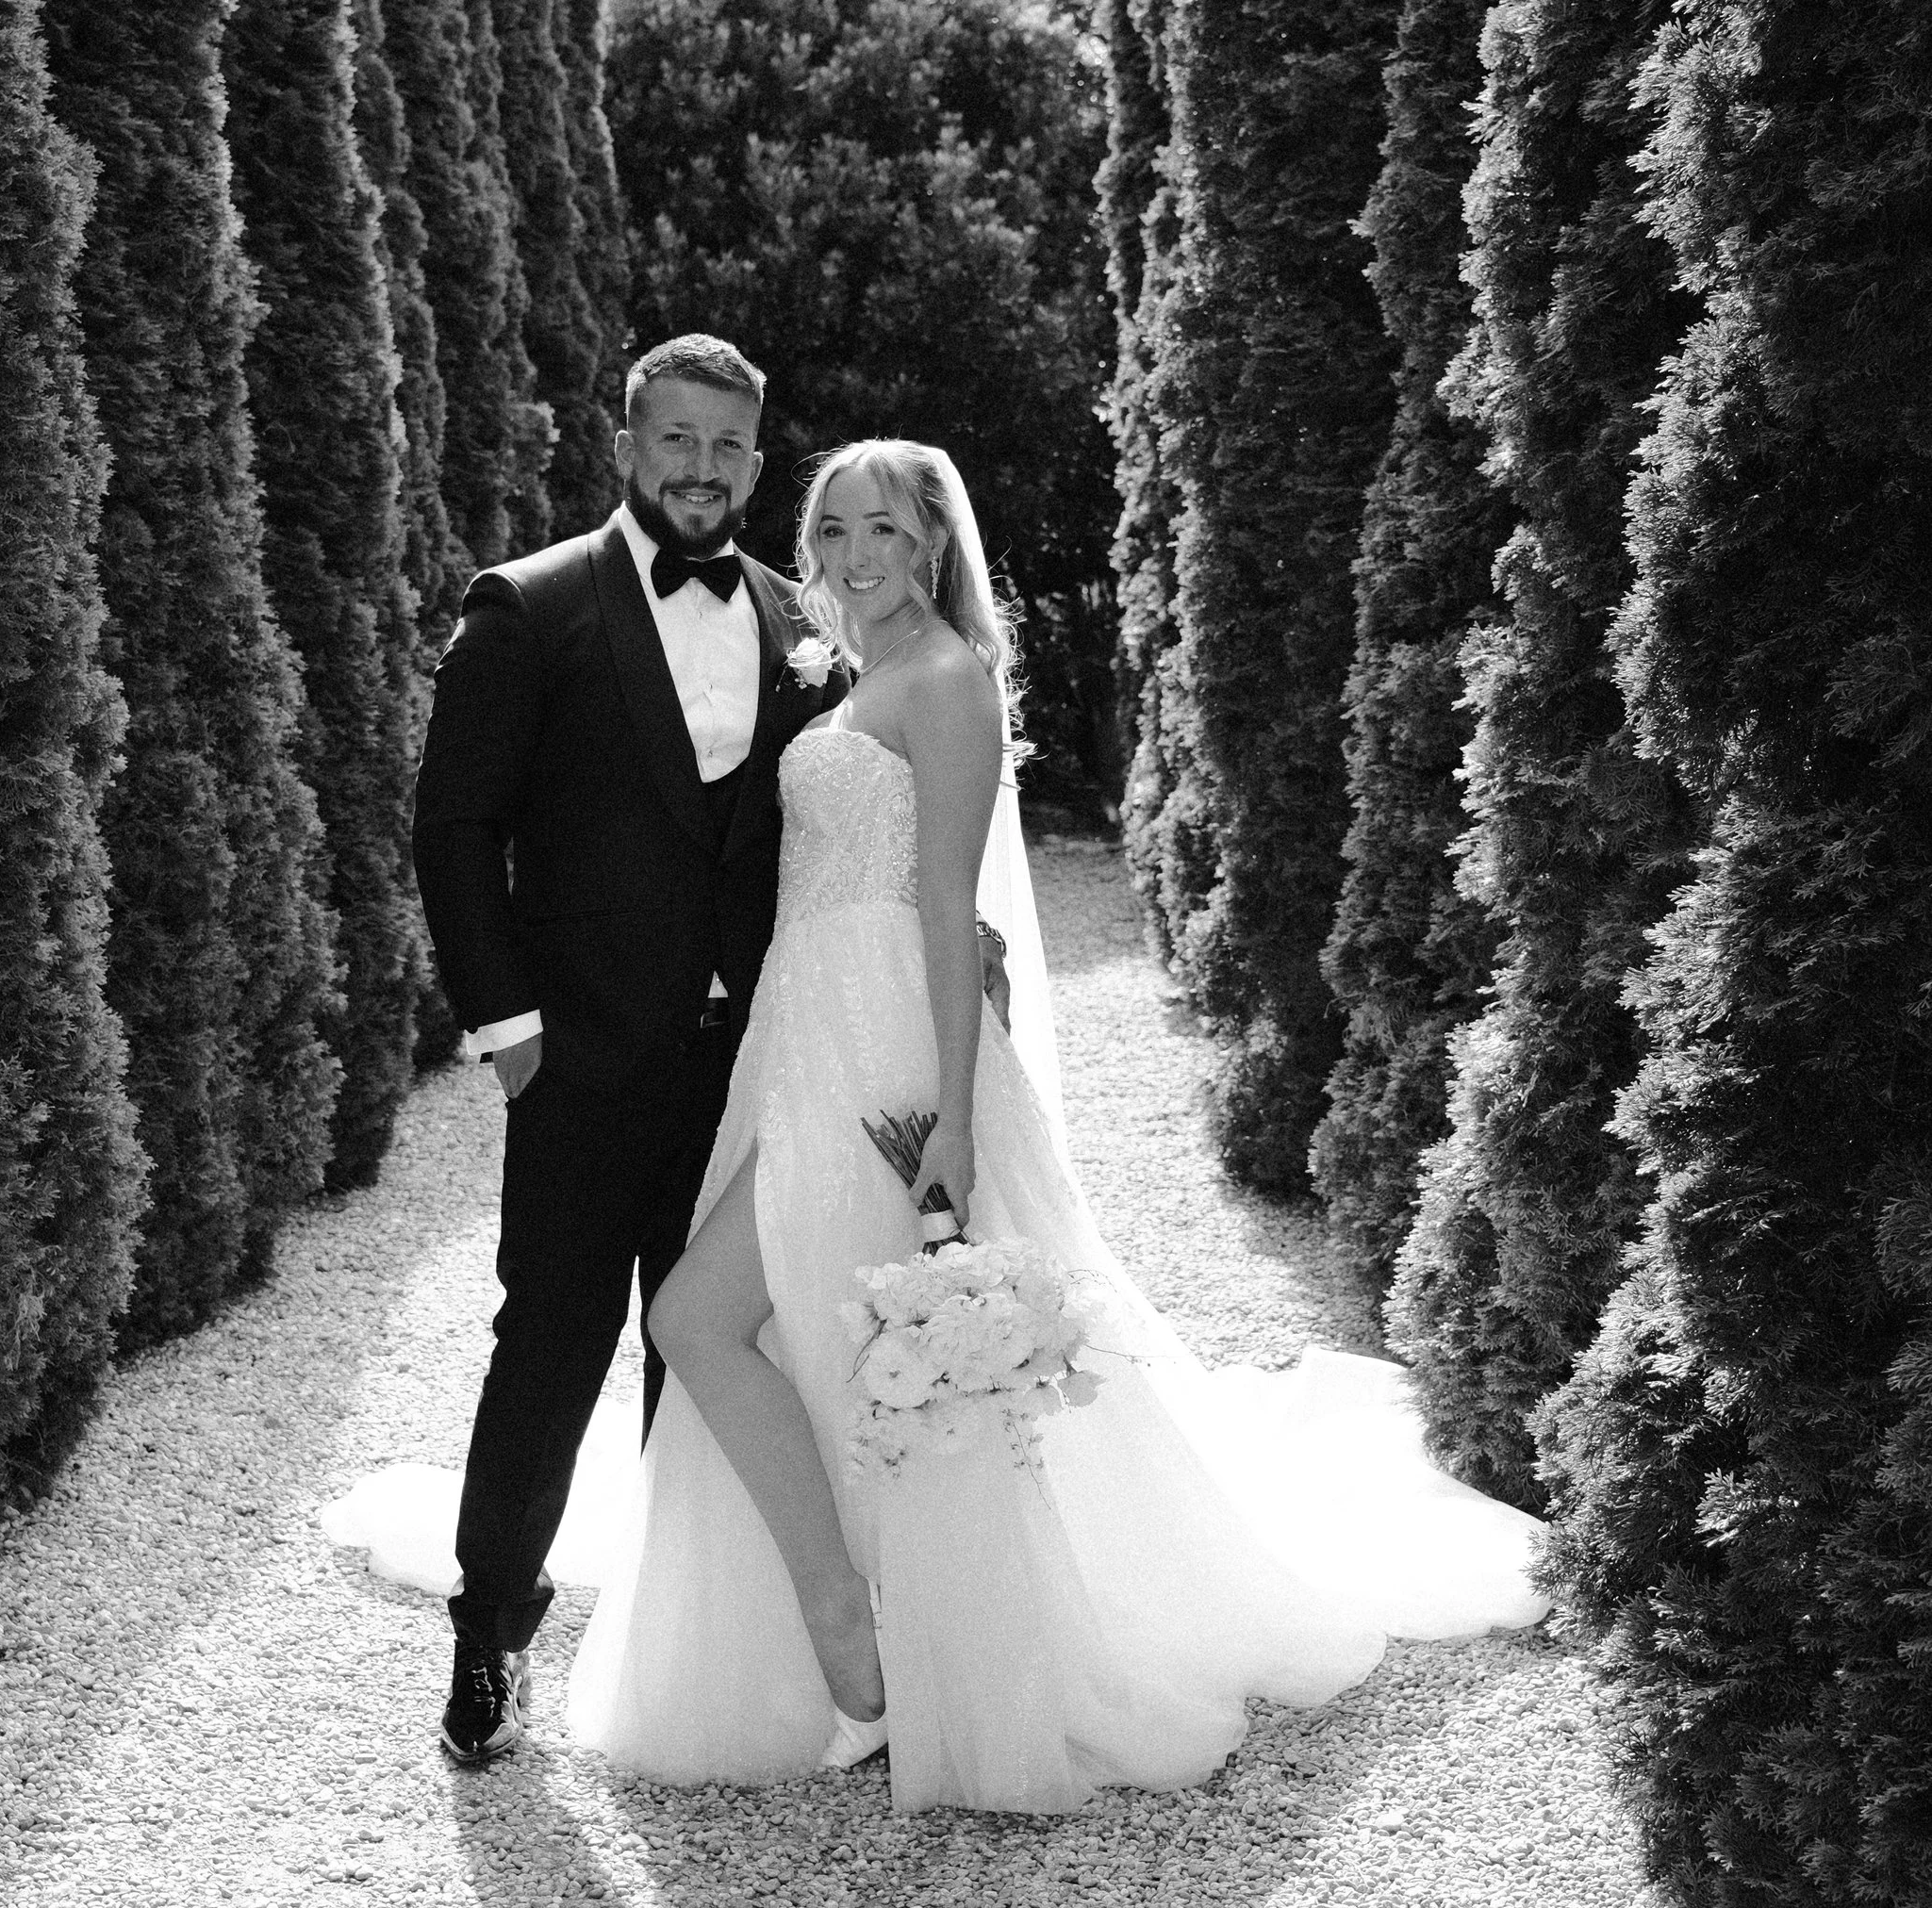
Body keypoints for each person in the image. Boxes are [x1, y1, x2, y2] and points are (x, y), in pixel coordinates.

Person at [565, 438, 1545, 1812]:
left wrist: (954, 1122)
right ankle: (862, 1623)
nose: (855, 556)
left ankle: (871, 1631)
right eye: (834, 529)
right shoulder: (855, 679)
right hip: (809, 1034)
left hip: (888, 1054)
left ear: (933, 547)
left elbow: (947, 914)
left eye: (886, 532)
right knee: (805, 1328)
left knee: (713, 1319)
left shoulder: (949, 680)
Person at [405, 333, 838, 1771]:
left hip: (748, 1069)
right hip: (579, 1062)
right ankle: (490, 1638)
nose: (702, 468)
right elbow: (456, 827)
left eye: (729, 446)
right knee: (550, 1347)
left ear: (758, 463)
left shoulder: (801, 623)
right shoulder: (526, 609)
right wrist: (513, 1034)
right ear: (630, 442)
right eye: (678, 439)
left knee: (710, 1350)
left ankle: (681, 1649)